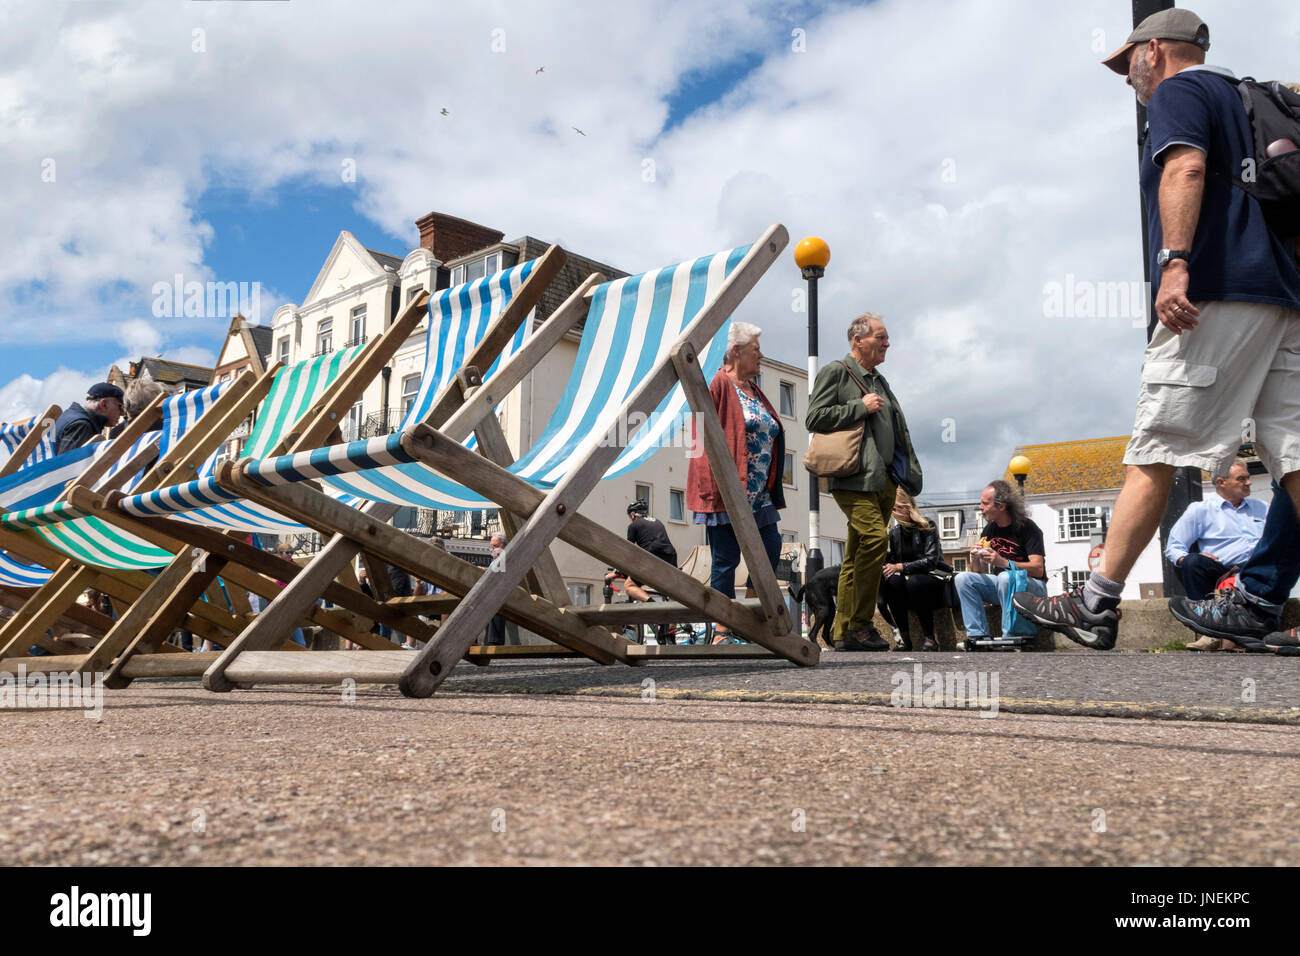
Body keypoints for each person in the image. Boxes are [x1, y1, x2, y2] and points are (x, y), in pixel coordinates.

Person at [1014, 9, 1300, 651]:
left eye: (1128, 60)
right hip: (1283, 294)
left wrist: (1176, 263)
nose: (1126, 76)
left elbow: (1186, 170)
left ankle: (1095, 602)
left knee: (1158, 444)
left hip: (1218, 291)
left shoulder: (1181, 91)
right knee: (1296, 456)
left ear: (1159, 48)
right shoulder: (1248, 97)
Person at [805, 312, 922, 652]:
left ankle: (843, 633)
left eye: (887, 338)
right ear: (858, 340)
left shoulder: (879, 380)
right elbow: (814, 417)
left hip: (883, 479)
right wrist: (859, 407)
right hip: (852, 475)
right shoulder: (836, 372)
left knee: (856, 556)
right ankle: (859, 624)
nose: (888, 343)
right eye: (881, 337)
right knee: (875, 541)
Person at [686, 322, 785, 644]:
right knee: (725, 560)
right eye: (756, 349)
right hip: (728, 491)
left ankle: (753, 619)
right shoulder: (717, 383)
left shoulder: (754, 390)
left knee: (769, 552)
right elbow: (697, 435)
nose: (762, 355)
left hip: (760, 494)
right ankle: (722, 630)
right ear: (736, 351)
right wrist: (706, 482)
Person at [954, 480, 1048, 644]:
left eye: (985, 503)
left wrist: (1004, 562)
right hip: (1002, 587)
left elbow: (1038, 569)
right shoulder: (989, 529)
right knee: (963, 578)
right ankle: (978, 634)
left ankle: (1012, 635)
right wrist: (976, 557)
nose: (980, 507)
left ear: (1001, 506)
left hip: (1032, 589)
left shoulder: (1028, 528)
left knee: (1006, 576)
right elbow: (978, 573)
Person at [1165, 462, 1266, 600]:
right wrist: (1193, 558)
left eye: (1248, 477)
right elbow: (1174, 547)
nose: (1249, 482)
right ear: (1221, 482)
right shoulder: (1200, 510)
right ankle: (1203, 612)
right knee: (1192, 561)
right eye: (1241, 479)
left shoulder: (1263, 507)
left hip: (1259, 570)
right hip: (1223, 571)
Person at [877, 490, 946, 652]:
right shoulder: (894, 533)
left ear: (909, 508)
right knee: (893, 581)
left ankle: (930, 638)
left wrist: (901, 567)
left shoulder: (927, 526)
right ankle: (905, 639)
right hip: (910, 584)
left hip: (933, 579)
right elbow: (894, 561)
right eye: (892, 509)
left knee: (915, 582)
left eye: (899, 508)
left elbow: (930, 562)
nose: (895, 513)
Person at [605, 500, 678, 603]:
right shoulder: (658, 522)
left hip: (653, 558)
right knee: (665, 589)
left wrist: (616, 572)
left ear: (633, 514)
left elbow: (628, 551)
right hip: (671, 557)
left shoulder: (634, 525)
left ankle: (652, 605)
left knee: (629, 586)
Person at [52, 383, 123, 455]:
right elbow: (67, 464)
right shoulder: (81, 425)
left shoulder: (70, 417)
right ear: (104, 404)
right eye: (120, 407)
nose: (122, 413)